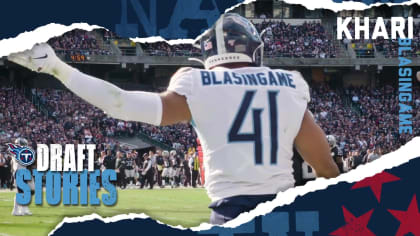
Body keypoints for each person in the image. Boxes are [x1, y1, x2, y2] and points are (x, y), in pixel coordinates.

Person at [8, 13, 339, 224]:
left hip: (230, 214)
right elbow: (325, 168)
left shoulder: (198, 83)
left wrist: (56, 68)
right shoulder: (289, 84)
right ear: (254, 49)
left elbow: (119, 103)